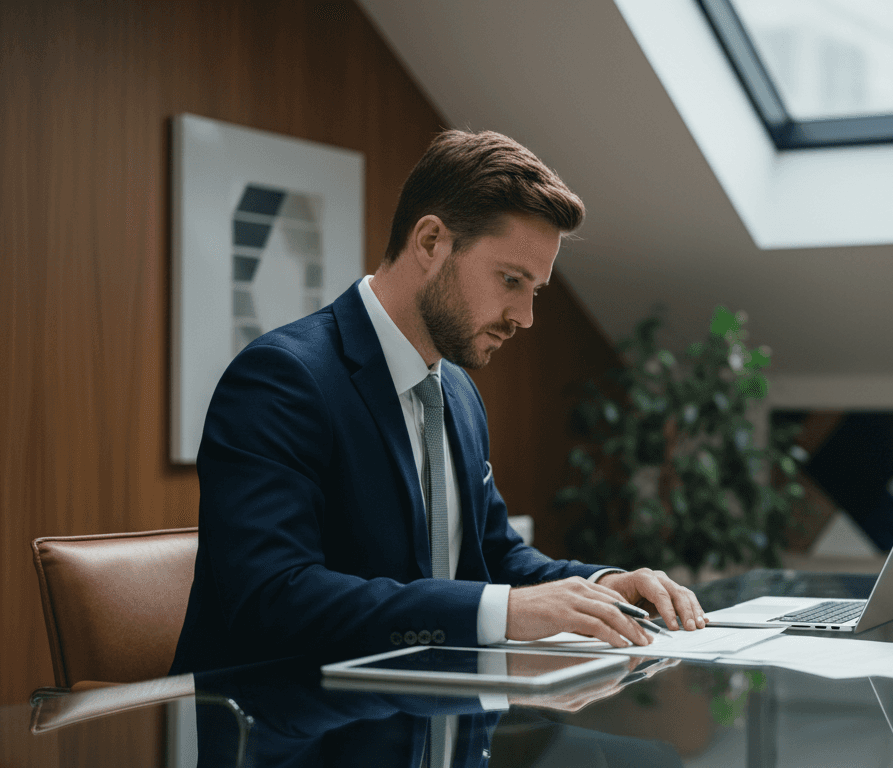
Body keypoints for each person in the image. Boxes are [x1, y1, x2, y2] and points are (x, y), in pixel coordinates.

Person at [171, 129, 704, 674]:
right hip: (292, 716)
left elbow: (494, 554)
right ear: (430, 242)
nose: (525, 317)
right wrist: (501, 611)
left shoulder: (458, 393)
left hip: (434, 705)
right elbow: (271, 598)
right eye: (511, 279)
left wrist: (605, 585)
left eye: (535, 290)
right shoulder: (281, 379)